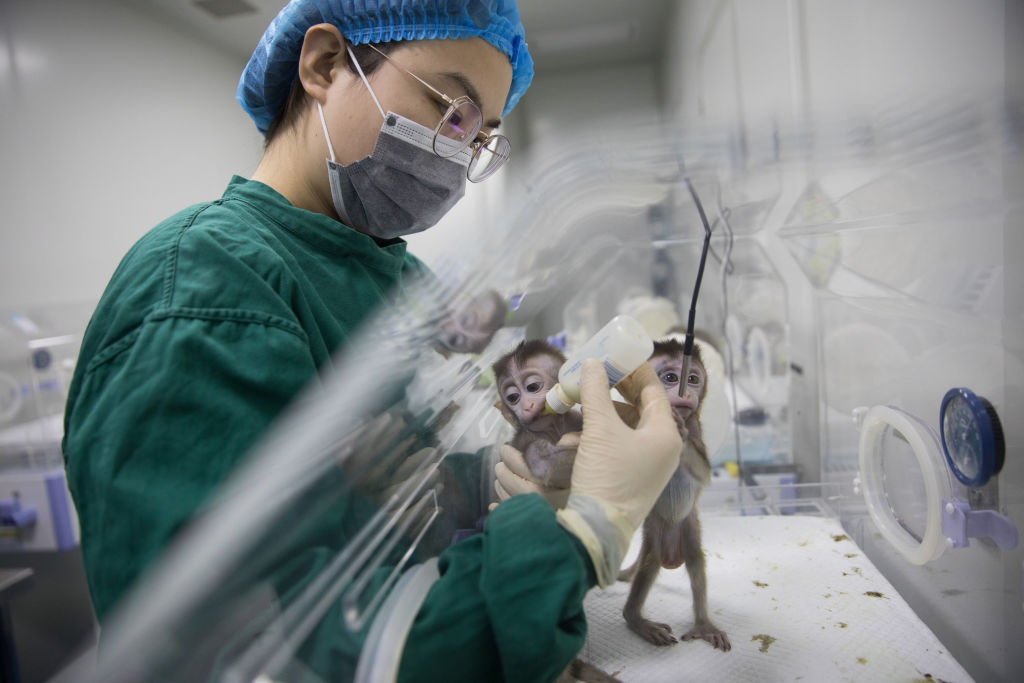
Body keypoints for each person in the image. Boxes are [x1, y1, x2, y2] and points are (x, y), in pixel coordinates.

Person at [62, 1, 685, 680]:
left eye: (481, 139)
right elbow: (256, 654)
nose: (461, 153)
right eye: (454, 111)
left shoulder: (395, 278)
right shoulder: (204, 289)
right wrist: (589, 532)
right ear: (325, 63)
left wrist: (536, 469)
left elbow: (400, 487)